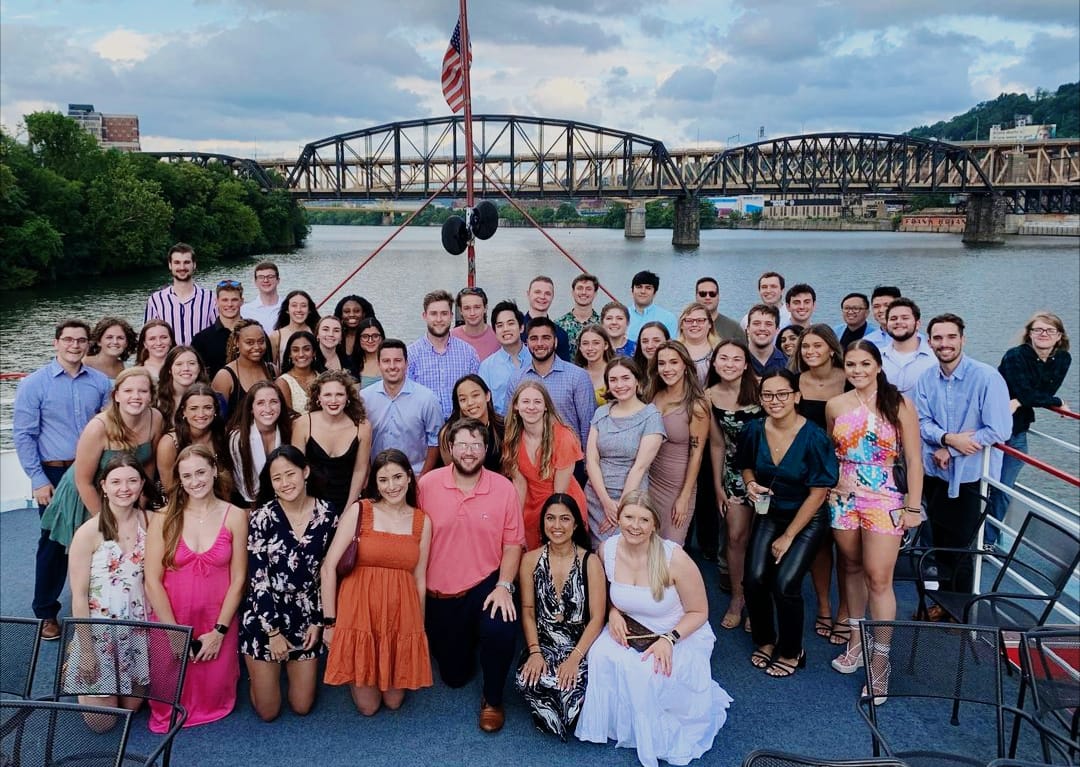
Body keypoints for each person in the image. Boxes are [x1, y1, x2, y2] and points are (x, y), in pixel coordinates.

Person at [576, 492, 731, 767]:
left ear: (654, 524)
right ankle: (620, 726)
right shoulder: (607, 550)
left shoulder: (675, 558)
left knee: (647, 670)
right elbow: (613, 594)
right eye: (629, 517)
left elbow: (699, 612)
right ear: (618, 518)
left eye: (644, 519)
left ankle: (652, 733)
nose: (635, 526)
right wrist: (613, 613)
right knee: (599, 654)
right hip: (631, 625)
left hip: (677, 632)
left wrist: (669, 640)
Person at [826, 341, 923, 701]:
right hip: (843, 495)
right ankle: (855, 640)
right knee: (849, 566)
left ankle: (881, 661)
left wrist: (913, 506)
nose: (858, 370)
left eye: (865, 363)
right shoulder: (836, 405)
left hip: (884, 495)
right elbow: (832, 452)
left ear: (878, 366)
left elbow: (914, 459)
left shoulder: (898, 404)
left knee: (879, 577)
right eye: (851, 364)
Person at [417, 417, 526, 733]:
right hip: (441, 594)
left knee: (502, 628)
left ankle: (492, 699)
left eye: (475, 445)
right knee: (454, 677)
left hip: (486, 584)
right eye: (461, 444)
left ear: (486, 448)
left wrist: (505, 585)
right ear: (450, 447)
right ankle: (464, 641)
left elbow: (513, 543)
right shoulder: (427, 486)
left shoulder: (503, 488)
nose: (468, 451)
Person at [736, 369, 839, 678]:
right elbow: (745, 466)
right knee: (754, 579)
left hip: (806, 518)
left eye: (782, 394)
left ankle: (793, 649)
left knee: (785, 584)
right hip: (769, 512)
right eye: (768, 395)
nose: (775, 401)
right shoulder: (754, 430)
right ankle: (765, 640)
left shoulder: (815, 436)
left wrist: (789, 536)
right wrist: (751, 484)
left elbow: (819, 492)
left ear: (796, 396)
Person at [13, 319, 112, 639]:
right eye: (68, 340)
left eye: (81, 340)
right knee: (54, 542)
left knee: (98, 538)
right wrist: (38, 479)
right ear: (56, 343)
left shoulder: (99, 383)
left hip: (93, 470)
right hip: (54, 473)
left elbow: (110, 428)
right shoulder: (34, 384)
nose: (75, 345)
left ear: (88, 345)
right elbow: (25, 435)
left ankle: (96, 605)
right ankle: (45, 612)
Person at [322, 449, 433, 715]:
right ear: (375, 482)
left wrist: (419, 629)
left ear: (409, 477)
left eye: (397, 477)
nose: (391, 486)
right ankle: (355, 664)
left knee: (394, 702)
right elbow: (328, 568)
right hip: (359, 609)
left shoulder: (422, 521)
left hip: (399, 613)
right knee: (369, 707)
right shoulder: (360, 511)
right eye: (383, 480)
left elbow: (419, 579)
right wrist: (330, 623)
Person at [144, 445, 247, 731]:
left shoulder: (236, 515)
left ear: (214, 471)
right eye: (187, 475)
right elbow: (152, 579)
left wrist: (220, 631)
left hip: (216, 620)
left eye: (201, 472)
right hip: (172, 619)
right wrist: (173, 633)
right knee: (167, 705)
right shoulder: (164, 518)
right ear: (179, 479)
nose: (195, 481)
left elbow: (239, 578)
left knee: (217, 699)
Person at [915, 314, 1011, 601]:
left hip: (971, 476)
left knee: (962, 547)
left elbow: (999, 429)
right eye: (938, 338)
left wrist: (954, 448)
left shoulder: (986, 377)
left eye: (951, 337)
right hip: (936, 472)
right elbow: (921, 422)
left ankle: (961, 608)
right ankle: (942, 603)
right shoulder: (926, 378)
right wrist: (947, 438)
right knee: (940, 543)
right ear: (930, 342)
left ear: (962, 339)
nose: (945, 344)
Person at [40, 368, 163, 591]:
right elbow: (83, 480)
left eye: (142, 391)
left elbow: (148, 464)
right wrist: (106, 519)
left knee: (123, 554)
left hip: (125, 491)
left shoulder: (155, 419)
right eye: (128, 390)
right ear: (116, 395)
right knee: (67, 554)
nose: (135, 396)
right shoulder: (98, 427)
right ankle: (47, 611)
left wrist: (141, 504)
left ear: (151, 395)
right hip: (86, 492)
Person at [241, 446, 339, 721]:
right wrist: (272, 632)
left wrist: (319, 621)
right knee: (268, 712)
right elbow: (257, 578)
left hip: (307, 612)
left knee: (301, 706)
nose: (285, 483)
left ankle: (279, 672)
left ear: (305, 472)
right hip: (265, 613)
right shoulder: (261, 517)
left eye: (290, 474)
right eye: (277, 478)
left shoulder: (327, 514)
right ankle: (259, 674)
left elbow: (328, 573)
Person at [66, 453, 151, 713]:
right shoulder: (88, 533)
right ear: (103, 486)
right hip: (99, 630)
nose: (124, 489)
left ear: (141, 485)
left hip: (136, 626)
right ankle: (77, 656)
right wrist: (88, 651)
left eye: (132, 481)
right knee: (103, 723)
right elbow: (79, 596)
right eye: (116, 482)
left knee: (131, 710)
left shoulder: (150, 522)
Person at [516, 494, 605, 741]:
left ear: (576, 524)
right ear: (543, 522)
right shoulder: (530, 560)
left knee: (571, 689)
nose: (557, 525)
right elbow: (528, 610)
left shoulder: (591, 561)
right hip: (544, 642)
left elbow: (598, 617)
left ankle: (562, 710)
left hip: (580, 644)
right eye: (550, 518)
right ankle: (556, 708)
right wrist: (534, 652)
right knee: (528, 679)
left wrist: (575, 659)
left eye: (565, 519)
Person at [986, 312, 1072, 547]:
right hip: (991, 431)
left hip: (1018, 430)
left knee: (1004, 488)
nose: (1044, 334)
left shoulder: (1063, 359)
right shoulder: (1015, 356)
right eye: (1038, 330)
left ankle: (988, 539)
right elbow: (1031, 392)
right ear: (1029, 334)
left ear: (1059, 337)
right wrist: (1055, 401)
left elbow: (1039, 391)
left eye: (1050, 331)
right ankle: (975, 536)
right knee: (984, 485)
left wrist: (1024, 400)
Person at [790, 324, 849, 643]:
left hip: (845, 471)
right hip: (804, 472)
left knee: (846, 546)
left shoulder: (849, 377)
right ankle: (825, 607)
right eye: (805, 347)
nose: (810, 352)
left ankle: (845, 612)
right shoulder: (795, 383)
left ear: (831, 348)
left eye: (817, 345)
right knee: (819, 543)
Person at [705, 340, 764, 629]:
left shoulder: (762, 388)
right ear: (714, 363)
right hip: (733, 472)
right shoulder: (709, 396)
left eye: (736, 359)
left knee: (761, 538)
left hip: (768, 472)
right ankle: (738, 598)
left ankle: (758, 599)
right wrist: (718, 486)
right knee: (736, 536)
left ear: (745, 363)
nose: (729, 364)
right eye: (723, 358)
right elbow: (716, 444)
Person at [585, 357, 666, 547]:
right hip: (596, 497)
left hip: (631, 500)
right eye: (613, 380)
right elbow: (592, 459)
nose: (619, 385)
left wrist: (621, 510)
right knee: (596, 556)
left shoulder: (651, 416)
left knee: (624, 552)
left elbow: (640, 467)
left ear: (637, 381)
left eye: (625, 378)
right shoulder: (601, 413)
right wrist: (605, 502)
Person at [502, 382, 589, 550]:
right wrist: (516, 523)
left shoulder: (563, 436)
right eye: (526, 402)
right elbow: (520, 485)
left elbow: (559, 493)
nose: (531, 407)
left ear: (546, 407)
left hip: (560, 503)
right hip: (530, 504)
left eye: (537, 402)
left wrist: (551, 522)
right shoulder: (512, 439)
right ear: (516, 406)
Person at [647, 341, 709, 546]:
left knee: (671, 548)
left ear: (685, 365)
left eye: (674, 362)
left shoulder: (696, 405)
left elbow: (697, 454)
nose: (667, 368)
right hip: (650, 481)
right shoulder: (653, 395)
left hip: (678, 486)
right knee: (648, 546)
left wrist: (684, 497)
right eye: (662, 363)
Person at [507, 317, 597, 450]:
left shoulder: (577, 376)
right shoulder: (517, 379)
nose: (539, 343)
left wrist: (585, 465)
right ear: (526, 343)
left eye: (546, 338)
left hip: (569, 457)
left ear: (555, 342)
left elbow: (588, 425)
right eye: (534, 338)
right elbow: (510, 423)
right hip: (530, 458)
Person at [292, 370, 372, 512]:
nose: (333, 400)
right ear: (318, 398)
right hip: (310, 505)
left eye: (339, 394)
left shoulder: (363, 426)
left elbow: (360, 471)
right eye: (327, 395)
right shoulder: (303, 424)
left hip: (348, 501)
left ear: (348, 397)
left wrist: (349, 510)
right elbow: (296, 470)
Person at [362, 339, 443, 477]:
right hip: (377, 475)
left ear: (406, 363)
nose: (392, 366)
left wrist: (423, 477)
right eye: (386, 361)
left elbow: (435, 441)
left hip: (414, 474)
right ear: (379, 364)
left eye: (398, 360)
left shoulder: (427, 399)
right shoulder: (364, 398)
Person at [408, 289, 481, 419]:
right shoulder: (411, 355)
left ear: (451, 316)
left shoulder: (468, 353)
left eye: (444, 314)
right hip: (424, 428)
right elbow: (408, 398)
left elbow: (475, 395)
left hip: (461, 427)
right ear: (424, 316)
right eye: (433, 314)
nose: (439, 319)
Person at [156, 383, 231, 494]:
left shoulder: (222, 435)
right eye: (193, 408)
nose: (200, 414)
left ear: (215, 410)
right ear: (184, 411)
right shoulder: (169, 443)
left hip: (218, 499)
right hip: (179, 502)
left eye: (207, 407)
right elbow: (170, 489)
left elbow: (228, 483)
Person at [229, 381, 292, 506]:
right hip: (251, 503)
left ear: (281, 405)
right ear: (251, 409)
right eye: (260, 403)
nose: (268, 409)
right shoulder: (238, 438)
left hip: (287, 498)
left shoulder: (291, 430)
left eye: (273, 402)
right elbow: (245, 486)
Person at [143, 243, 217, 346]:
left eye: (186, 262)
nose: (182, 267)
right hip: (168, 361)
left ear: (194, 264)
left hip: (201, 360)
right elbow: (148, 337)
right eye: (177, 262)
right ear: (170, 265)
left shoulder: (210, 298)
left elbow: (218, 334)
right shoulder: (156, 300)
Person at [211, 319, 276, 423]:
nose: (257, 347)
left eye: (261, 341)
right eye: (249, 342)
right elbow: (217, 418)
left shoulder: (272, 370)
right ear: (237, 342)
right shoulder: (225, 376)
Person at [437, 374, 504, 473]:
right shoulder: (448, 433)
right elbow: (452, 473)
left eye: (475, 395)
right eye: (463, 399)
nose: (470, 403)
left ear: (487, 396)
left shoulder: (502, 426)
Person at [479, 301, 531, 416]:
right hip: (502, 427)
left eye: (511, 323)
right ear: (495, 331)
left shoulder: (535, 359)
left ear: (521, 327)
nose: (505, 329)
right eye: (500, 325)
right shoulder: (487, 367)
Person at [880, 298, 936, 397]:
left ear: (917, 324)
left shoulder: (935, 359)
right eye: (893, 319)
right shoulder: (876, 358)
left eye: (905, 318)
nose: (898, 322)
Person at [192, 279, 247, 377]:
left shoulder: (254, 333)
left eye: (234, 300)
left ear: (242, 301)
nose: (229, 304)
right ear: (216, 302)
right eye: (225, 300)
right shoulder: (201, 339)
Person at [155, 345, 211, 428]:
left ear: (199, 368)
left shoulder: (212, 398)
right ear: (169, 369)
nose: (186, 368)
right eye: (179, 364)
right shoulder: (155, 398)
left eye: (191, 363)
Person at [276, 330, 326, 415]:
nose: (301, 354)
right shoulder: (283, 382)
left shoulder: (324, 377)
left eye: (306, 349)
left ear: (314, 352)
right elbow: (286, 417)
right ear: (290, 354)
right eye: (295, 350)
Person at [522, 276, 572, 361]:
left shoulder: (560, 334)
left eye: (547, 293)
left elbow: (565, 369)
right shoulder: (516, 329)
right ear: (528, 294)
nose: (542, 297)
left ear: (552, 297)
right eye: (537, 292)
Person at [269, 290, 320, 367]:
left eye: (303, 305)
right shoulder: (276, 336)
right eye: (294, 305)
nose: (299, 310)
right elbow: (271, 366)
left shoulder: (317, 333)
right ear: (287, 310)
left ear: (309, 310)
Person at [555, 273, 601, 358]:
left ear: (595, 293)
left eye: (588, 289)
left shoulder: (602, 325)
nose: (583, 292)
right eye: (580, 288)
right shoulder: (558, 324)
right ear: (573, 292)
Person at [451, 286, 500, 360]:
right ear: (461, 311)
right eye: (467, 308)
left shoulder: (498, 335)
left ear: (485, 308)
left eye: (477, 307)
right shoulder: (451, 337)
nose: (472, 313)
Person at [626, 270, 678, 340]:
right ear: (632, 290)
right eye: (639, 287)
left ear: (655, 292)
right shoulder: (621, 317)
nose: (643, 291)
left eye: (648, 288)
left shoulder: (668, 318)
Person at [676, 302, 718, 384]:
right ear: (681, 325)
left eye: (700, 320)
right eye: (689, 321)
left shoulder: (719, 351)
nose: (694, 324)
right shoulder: (673, 350)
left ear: (710, 324)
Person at [573, 323, 614, 404]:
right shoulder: (575, 374)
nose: (590, 348)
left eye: (596, 343)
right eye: (585, 343)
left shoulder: (615, 372)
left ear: (606, 345)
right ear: (580, 347)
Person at [694, 276, 743, 341]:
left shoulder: (734, 328)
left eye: (712, 294)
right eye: (703, 294)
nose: (707, 297)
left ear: (718, 296)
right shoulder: (687, 327)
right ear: (696, 296)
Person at [241, 261, 283, 335]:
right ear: (255, 281)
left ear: (278, 280)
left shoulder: (288, 307)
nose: (266, 280)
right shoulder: (245, 310)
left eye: (270, 277)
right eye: (261, 277)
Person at [746, 304, 788, 376]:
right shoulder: (737, 361)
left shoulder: (787, 364)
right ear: (748, 329)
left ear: (777, 330)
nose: (762, 328)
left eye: (768, 324)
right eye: (756, 323)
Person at [334, 294, 376, 363]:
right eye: (347, 311)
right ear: (341, 315)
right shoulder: (335, 337)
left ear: (364, 314)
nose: (352, 315)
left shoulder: (373, 339)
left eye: (357, 311)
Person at [632, 321, 671, 387]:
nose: (650, 346)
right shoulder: (632, 371)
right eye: (645, 341)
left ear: (668, 342)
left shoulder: (674, 371)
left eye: (656, 341)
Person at [352, 317, 386, 387]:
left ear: (382, 337)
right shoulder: (352, 364)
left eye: (375, 336)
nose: (370, 340)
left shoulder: (391, 362)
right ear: (358, 339)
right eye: (365, 336)